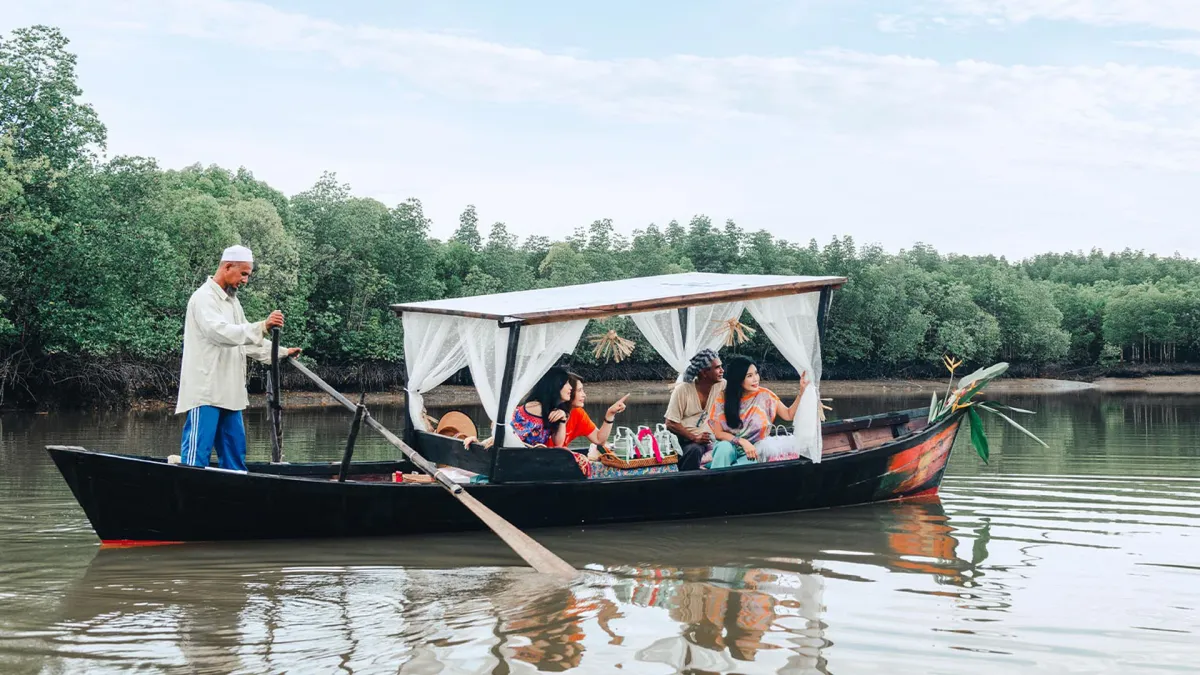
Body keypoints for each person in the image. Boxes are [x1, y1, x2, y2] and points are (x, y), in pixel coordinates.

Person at [176, 245, 301, 471]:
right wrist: (263, 325)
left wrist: (281, 352)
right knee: (196, 459)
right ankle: (189, 499)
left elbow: (246, 340)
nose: (245, 280)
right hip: (206, 392)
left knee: (235, 459)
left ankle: (232, 501)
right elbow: (219, 332)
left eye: (247, 275)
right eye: (243, 274)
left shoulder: (233, 303)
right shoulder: (203, 298)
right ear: (227, 267)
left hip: (230, 394)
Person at [704, 355, 810, 469]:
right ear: (738, 379)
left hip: (755, 449)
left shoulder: (765, 395)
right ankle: (714, 481)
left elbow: (788, 415)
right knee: (723, 448)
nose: (755, 379)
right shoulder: (723, 397)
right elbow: (718, 433)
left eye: (756, 373)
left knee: (741, 468)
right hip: (730, 445)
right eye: (749, 376)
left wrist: (801, 392)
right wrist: (742, 442)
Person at [664, 349, 726, 471]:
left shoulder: (721, 385)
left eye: (721, 366)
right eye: (717, 368)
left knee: (727, 445)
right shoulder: (683, 390)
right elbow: (670, 423)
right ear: (704, 373)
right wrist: (694, 437)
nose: (722, 370)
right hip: (684, 442)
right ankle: (688, 485)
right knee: (694, 450)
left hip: (708, 440)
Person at [558, 372, 629, 448]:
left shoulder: (578, 412)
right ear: (568, 391)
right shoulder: (550, 413)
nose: (584, 395)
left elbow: (599, 440)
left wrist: (610, 414)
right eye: (579, 390)